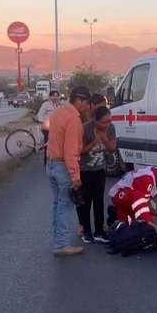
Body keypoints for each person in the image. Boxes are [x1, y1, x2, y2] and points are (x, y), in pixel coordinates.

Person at [46, 85, 91, 256]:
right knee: (65, 206)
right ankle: (62, 245)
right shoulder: (73, 120)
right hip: (63, 167)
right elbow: (70, 151)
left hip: (51, 164)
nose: (87, 106)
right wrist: (75, 176)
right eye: (86, 102)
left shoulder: (58, 112)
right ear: (79, 100)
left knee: (58, 204)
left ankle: (58, 240)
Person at [108, 166, 157, 249]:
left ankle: (117, 217)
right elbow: (143, 205)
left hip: (128, 195)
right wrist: (156, 224)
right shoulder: (147, 179)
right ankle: (117, 213)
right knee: (145, 222)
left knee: (129, 227)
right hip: (119, 195)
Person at [76, 106, 113, 244]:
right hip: (84, 169)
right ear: (95, 120)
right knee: (85, 201)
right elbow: (79, 151)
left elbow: (112, 148)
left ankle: (99, 231)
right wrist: (95, 141)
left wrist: (104, 139)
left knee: (99, 200)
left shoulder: (110, 128)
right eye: (104, 122)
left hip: (100, 169)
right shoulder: (85, 128)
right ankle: (86, 231)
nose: (107, 124)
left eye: (109, 121)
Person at [37, 90, 61, 165]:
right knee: (48, 145)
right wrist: (44, 122)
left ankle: (55, 161)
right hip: (47, 127)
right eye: (53, 96)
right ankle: (46, 162)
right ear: (50, 96)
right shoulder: (45, 105)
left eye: (57, 96)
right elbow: (40, 116)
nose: (55, 98)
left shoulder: (58, 105)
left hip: (56, 128)